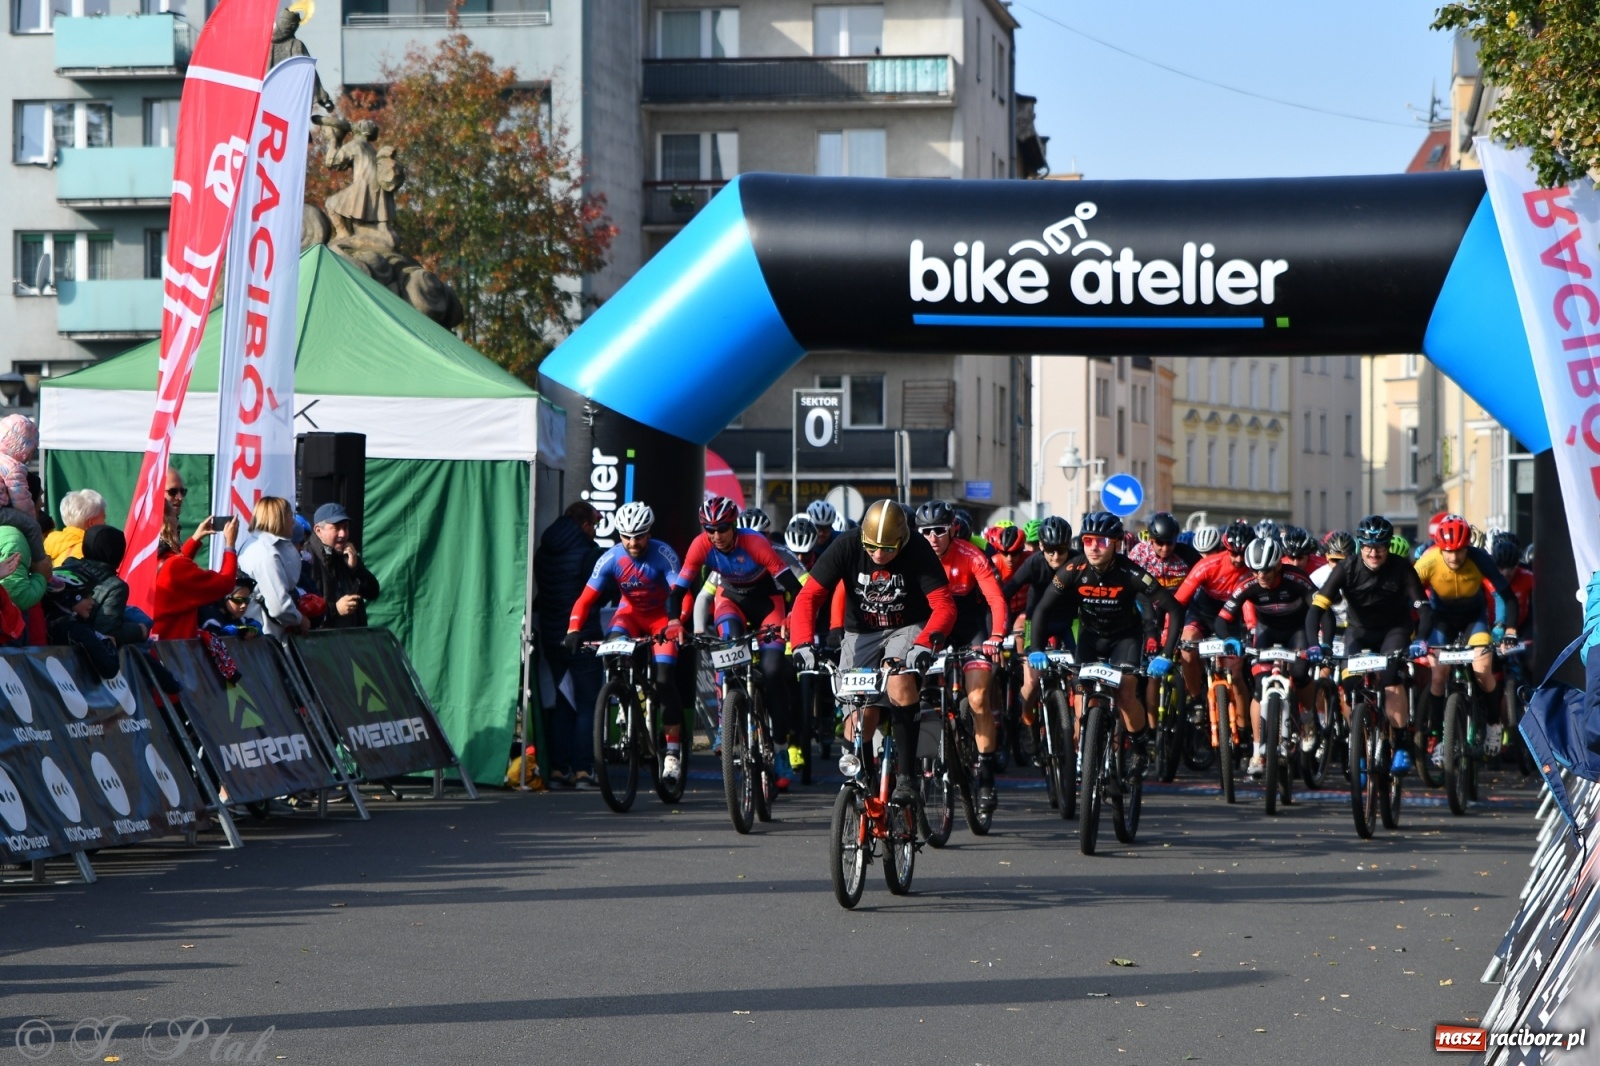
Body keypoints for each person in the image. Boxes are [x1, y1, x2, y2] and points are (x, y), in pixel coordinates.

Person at [790, 500, 955, 805]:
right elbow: (809, 596)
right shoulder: (846, 544)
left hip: (907, 626)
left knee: (898, 680)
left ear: (902, 540)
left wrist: (923, 646)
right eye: (872, 547)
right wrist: (801, 642)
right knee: (858, 717)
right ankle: (863, 781)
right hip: (861, 631)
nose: (879, 555)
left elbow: (944, 605)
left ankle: (907, 778)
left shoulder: (918, 549)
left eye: (888, 549)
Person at [1027, 511, 1181, 771]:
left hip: (1125, 638)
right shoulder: (1074, 569)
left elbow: (1175, 610)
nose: (1094, 548)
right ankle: (1084, 747)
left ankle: (1140, 744)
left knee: (1124, 693)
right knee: (1082, 691)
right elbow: (1042, 609)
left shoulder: (1130, 572)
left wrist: (1166, 654)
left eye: (1102, 542)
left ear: (1117, 543)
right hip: (1090, 636)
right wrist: (1036, 648)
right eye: (1088, 541)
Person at [668, 496, 801, 765]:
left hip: (767, 604)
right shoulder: (701, 545)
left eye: (722, 529)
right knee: (728, 652)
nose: (716, 536)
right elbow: (678, 592)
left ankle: (780, 745)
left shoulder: (755, 543)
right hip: (731, 601)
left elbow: (795, 589)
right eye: (710, 530)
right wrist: (673, 621)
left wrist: (790, 618)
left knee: (773, 669)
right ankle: (726, 726)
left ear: (734, 526)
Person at [563, 502, 688, 782]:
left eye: (640, 536)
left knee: (664, 679)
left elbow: (681, 594)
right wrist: (573, 630)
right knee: (611, 651)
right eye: (627, 536)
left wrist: (675, 621)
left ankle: (672, 753)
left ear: (649, 533)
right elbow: (585, 599)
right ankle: (623, 699)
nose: (633, 542)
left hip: (660, 618)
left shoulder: (663, 554)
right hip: (629, 615)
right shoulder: (610, 558)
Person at [1306, 514, 1432, 773]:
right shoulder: (1346, 568)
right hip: (1359, 632)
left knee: (1391, 681)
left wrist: (1420, 640)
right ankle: (1358, 745)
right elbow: (1317, 608)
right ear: (1360, 546)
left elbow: (1424, 609)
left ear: (1387, 546)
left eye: (1380, 547)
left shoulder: (1402, 568)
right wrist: (1315, 644)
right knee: (1351, 685)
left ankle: (1401, 743)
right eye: (1368, 546)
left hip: (1394, 630)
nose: (1374, 552)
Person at [916, 500, 1011, 811]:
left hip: (971, 632)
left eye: (939, 531)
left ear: (953, 529)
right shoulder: (912, 558)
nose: (932, 537)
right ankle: (923, 763)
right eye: (926, 531)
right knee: (921, 700)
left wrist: (996, 636)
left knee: (979, 699)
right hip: (933, 633)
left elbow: (996, 600)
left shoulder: (971, 555)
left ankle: (985, 774)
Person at [1412, 514, 1517, 766]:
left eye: (1459, 551)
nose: (1454, 558)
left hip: (1474, 619)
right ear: (1439, 548)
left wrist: (1509, 629)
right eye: (1448, 552)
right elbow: (1406, 592)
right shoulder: (1429, 561)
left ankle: (1493, 723)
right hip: (1440, 620)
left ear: (1467, 547)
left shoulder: (1480, 559)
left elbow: (1507, 595)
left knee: (1483, 672)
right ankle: (1437, 740)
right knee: (1438, 677)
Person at [1214, 537, 1320, 778]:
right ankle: (1257, 752)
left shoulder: (1296, 579)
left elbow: (1319, 610)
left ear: (1278, 566)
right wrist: (1228, 639)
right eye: (1255, 570)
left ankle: (1306, 719)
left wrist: (1316, 643)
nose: (1261, 575)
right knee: (1260, 687)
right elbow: (1222, 619)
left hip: (1299, 632)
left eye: (1266, 570)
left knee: (1302, 674)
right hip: (1266, 633)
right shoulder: (1247, 583)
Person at [535, 501, 604, 789]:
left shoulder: (542, 551)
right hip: (583, 636)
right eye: (594, 525)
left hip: (552, 639)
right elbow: (600, 594)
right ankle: (583, 771)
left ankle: (557, 770)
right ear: (585, 525)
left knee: (563, 704)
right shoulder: (588, 554)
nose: (595, 531)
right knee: (588, 704)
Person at [1172, 520, 1255, 722]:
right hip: (1202, 614)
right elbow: (1178, 602)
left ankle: (1243, 731)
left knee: (1235, 674)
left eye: (1242, 554)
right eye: (1232, 553)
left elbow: (1249, 605)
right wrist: (1169, 633)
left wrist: (1252, 629)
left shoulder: (1254, 568)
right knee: (1188, 649)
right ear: (1225, 548)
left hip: (1232, 619)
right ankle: (1197, 699)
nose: (1237, 559)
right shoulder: (1208, 564)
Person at [1004, 515, 1073, 741]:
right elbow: (1007, 592)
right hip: (1037, 621)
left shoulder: (1078, 560)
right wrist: (999, 627)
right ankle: (1027, 719)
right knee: (1032, 681)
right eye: (1050, 550)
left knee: (1084, 671)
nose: (1055, 557)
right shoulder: (1034, 563)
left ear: (1069, 546)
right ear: (1041, 546)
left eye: (1061, 551)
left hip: (1070, 620)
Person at [152, 513, 240, 641]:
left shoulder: (147, 561)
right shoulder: (176, 566)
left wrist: (195, 539)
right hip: (173, 650)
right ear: (170, 531)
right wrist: (230, 545)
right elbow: (226, 583)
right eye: (178, 528)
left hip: (150, 646)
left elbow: (171, 567)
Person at [61, 524, 146, 646]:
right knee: (142, 620)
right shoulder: (116, 587)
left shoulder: (65, 569)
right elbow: (107, 632)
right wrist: (139, 631)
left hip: (54, 645)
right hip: (85, 650)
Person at [238, 497, 308, 640]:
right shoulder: (265, 553)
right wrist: (300, 620)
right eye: (290, 515)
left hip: (264, 639)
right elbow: (279, 606)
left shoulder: (255, 545)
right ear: (279, 518)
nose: (293, 522)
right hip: (265, 640)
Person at [305, 502, 381, 629]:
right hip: (320, 643)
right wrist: (335, 609)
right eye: (336, 528)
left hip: (350, 641)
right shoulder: (306, 558)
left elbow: (373, 592)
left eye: (345, 527)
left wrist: (355, 568)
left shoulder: (347, 554)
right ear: (318, 530)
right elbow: (302, 607)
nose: (343, 534)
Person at [0, 415, 48, 578]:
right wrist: (30, 518)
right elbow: (21, 498)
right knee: (33, 527)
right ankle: (41, 565)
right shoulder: (13, 467)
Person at [44, 489, 106, 565]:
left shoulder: (51, 545)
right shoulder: (89, 552)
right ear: (91, 523)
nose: (105, 523)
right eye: (104, 518)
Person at [198, 576, 262, 639]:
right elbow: (216, 638)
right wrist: (235, 630)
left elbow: (257, 625)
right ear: (224, 598)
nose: (244, 605)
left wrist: (253, 628)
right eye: (238, 600)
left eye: (247, 600)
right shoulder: (209, 616)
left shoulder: (237, 617)